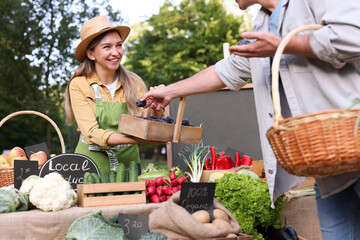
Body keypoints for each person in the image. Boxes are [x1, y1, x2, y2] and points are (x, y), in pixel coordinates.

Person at [140, 0, 360, 239]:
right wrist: (171, 91)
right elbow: (228, 71)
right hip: (330, 165)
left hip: (352, 140)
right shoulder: (263, 23)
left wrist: (282, 45)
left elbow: (353, 35)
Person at [65, 15, 162, 172]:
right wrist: (136, 141)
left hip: (129, 165)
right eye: (107, 47)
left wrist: (157, 109)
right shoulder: (79, 84)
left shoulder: (134, 82)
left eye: (119, 45)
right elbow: (91, 133)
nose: (116, 52)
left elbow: (148, 123)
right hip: (91, 165)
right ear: (91, 54)